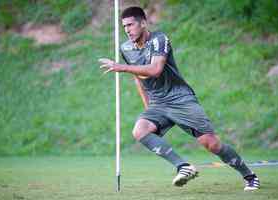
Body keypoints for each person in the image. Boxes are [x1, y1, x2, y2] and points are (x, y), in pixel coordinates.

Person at [99, 6, 260, 191]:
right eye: (124, 26)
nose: (127, 30)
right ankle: (183, 167)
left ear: (143, 23)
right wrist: (148, 106)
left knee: (211, 144)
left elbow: (155, 69)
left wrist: (122, 67)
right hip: (158, 103)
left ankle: (250, 176)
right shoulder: (126, 48)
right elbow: (138, 78)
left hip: (180, 99)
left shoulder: (160, 39)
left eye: (130, 25)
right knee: (140, 130)